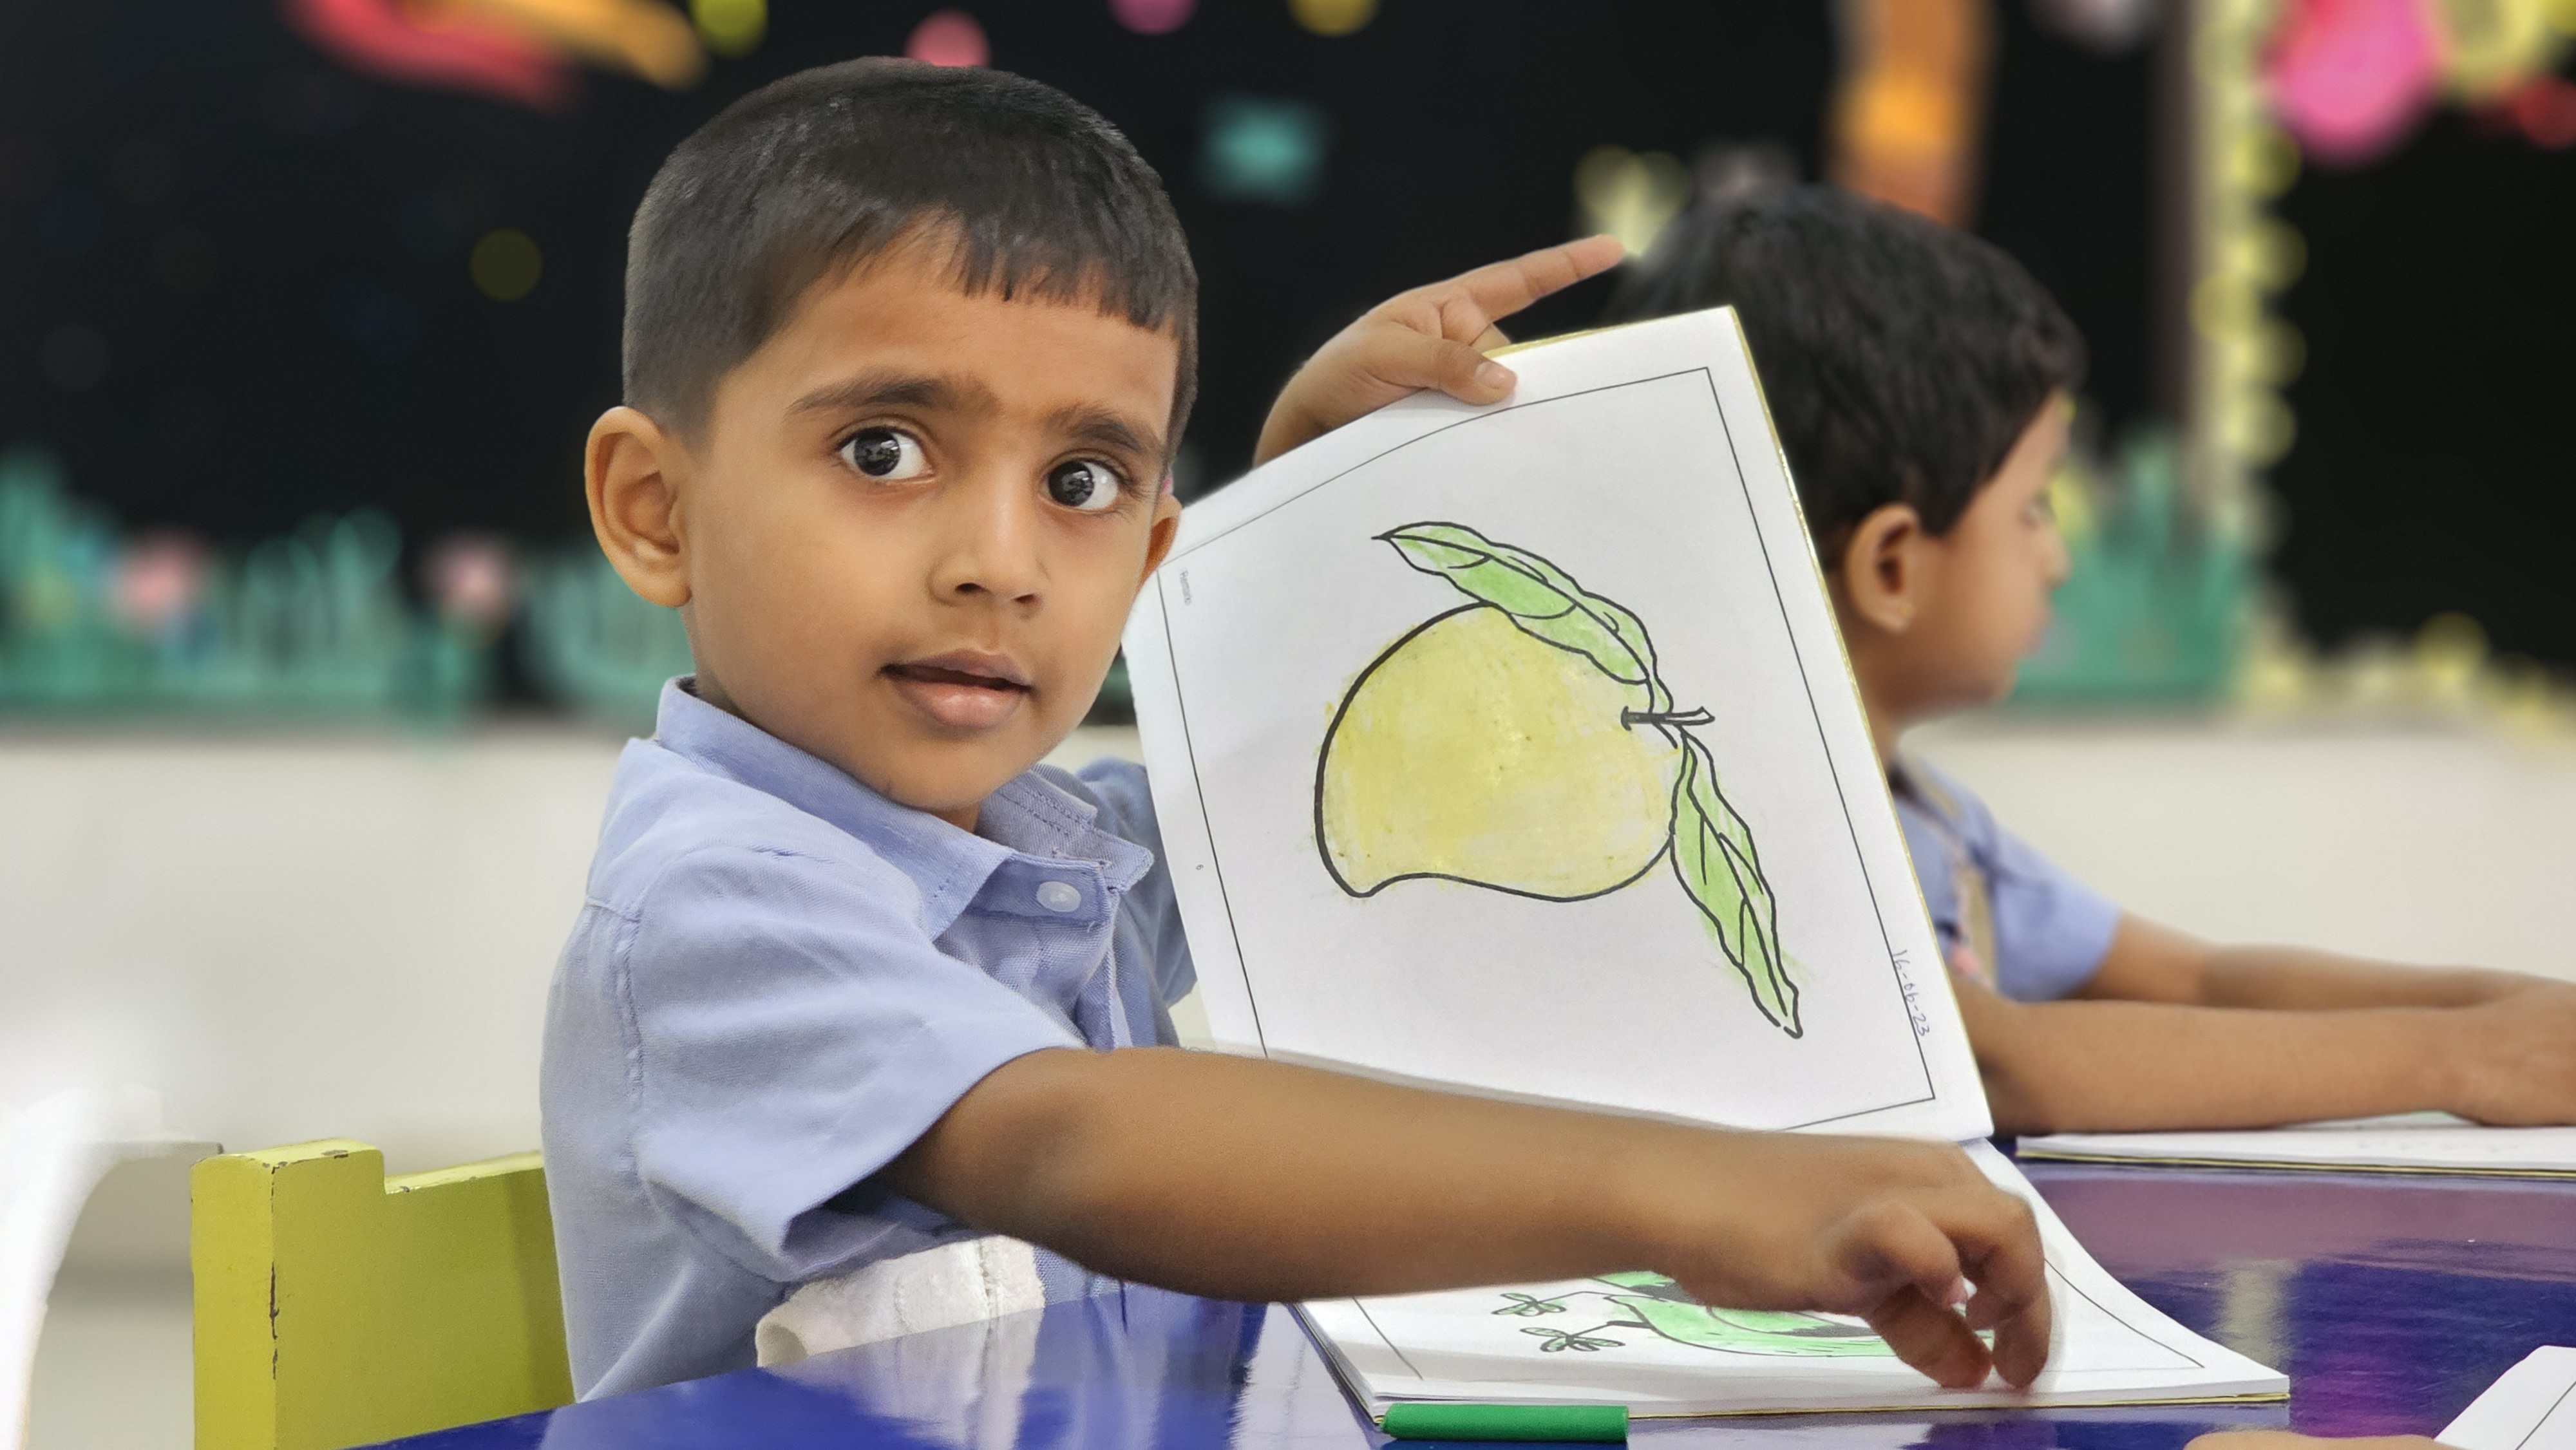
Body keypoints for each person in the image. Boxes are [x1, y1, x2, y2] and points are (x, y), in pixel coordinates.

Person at [543, 59, 2052, 1398]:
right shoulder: (719, 903)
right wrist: (1687, 1192)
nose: (999, 562)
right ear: (654, 510)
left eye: (1081, 482)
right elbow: (1077, 1141)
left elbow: (1290, 790)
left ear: (1150, 554)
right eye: (883, 450)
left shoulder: (1049, 847)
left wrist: (1305, 499)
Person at [1598, 185, 2576, 1138]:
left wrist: (2506, 1014)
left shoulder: (1933, 820)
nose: (2058, 557)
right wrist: (2461, 1059)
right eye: (2033, 506)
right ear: (1891, 564)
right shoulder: (1728, 825)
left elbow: (2200, 981)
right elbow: (2004, 1064)